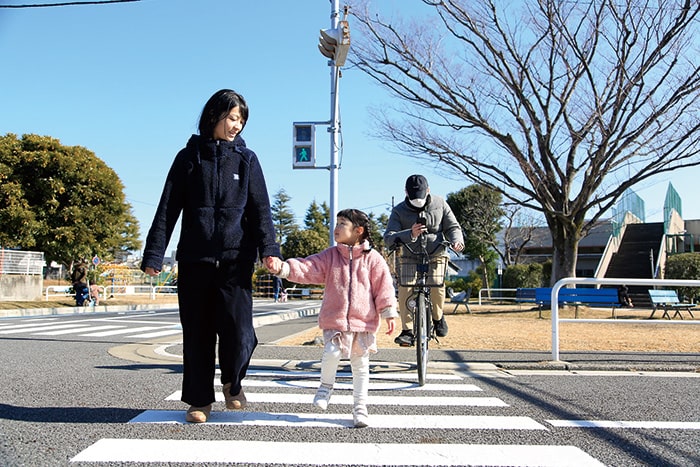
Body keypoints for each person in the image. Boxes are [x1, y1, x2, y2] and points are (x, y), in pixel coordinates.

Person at [140, 89, 281, 424]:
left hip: (235, 262)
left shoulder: (247, 160)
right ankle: (200, 401)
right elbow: (167, 208)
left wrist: (269, 250)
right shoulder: (188, 158)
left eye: (241, 120)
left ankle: (233, 382)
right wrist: (154, 253)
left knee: (239, 330)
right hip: (195, 260)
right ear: (214, 116)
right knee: (198, 333)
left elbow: (261, 210)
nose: (237, 125)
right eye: (232, 118)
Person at [266, 209, 397, 428]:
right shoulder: (330, 256)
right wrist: (283, 267)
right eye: (336, 223)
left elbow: (384, 287)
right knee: (331, 353)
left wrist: (389, 313)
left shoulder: (373, 259)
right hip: (335, 321)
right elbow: (308, 267)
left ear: (358, 231)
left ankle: (360, 407)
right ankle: (326, 387)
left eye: (341, 224)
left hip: (363, 323)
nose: (335, 228)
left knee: (360, 365)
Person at [384, 174, 465, 347]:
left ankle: (437, 317)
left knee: (436, 283)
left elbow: (453, 227)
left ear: (428, 190)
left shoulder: (440, 204)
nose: (417, 201)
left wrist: (457, 241)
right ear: (406, 192)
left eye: (420, 196)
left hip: (436, 252)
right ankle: (407, 330)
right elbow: (388, 238)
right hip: (409, 254)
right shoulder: (398, 211)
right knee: (405, 287)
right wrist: (410, 234)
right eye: (413, 197)